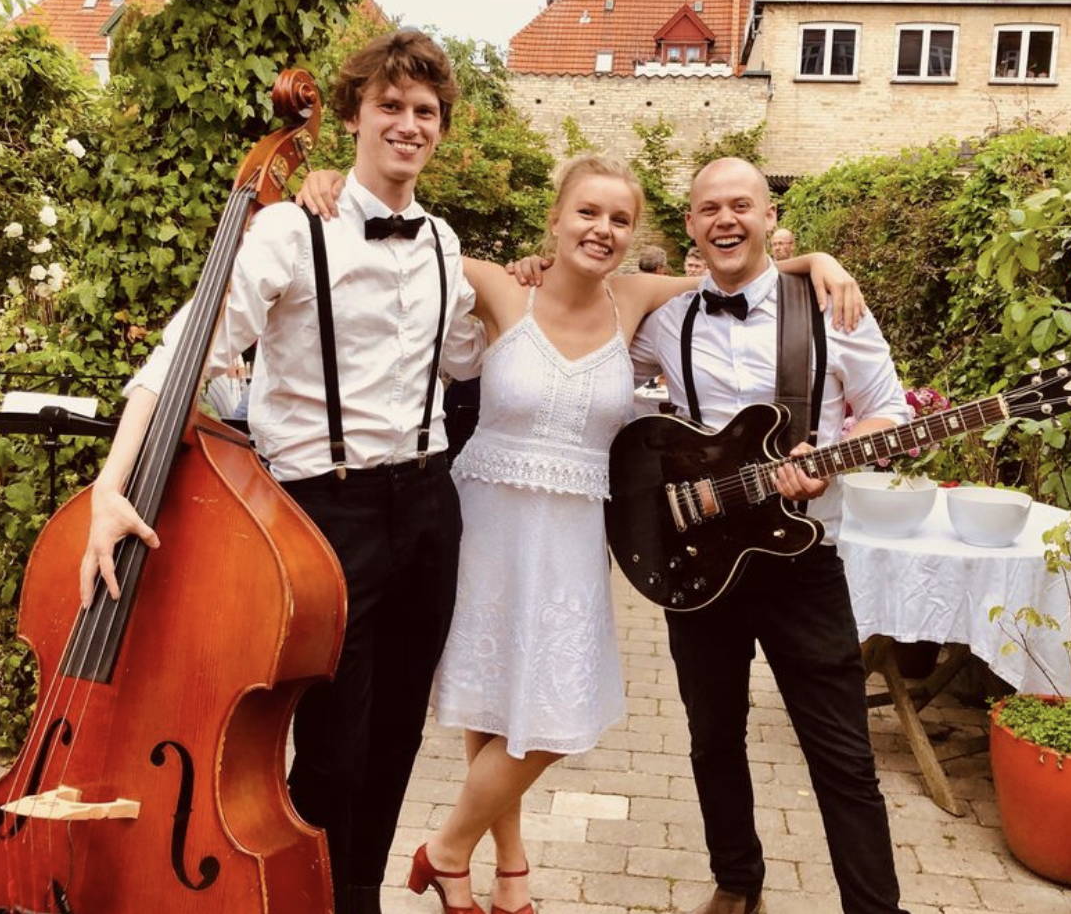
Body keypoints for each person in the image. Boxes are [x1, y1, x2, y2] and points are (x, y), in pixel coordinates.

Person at [298, 157, 868, 914]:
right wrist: (332, 184)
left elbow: (740, 268)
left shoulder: (635, 299)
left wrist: (816, 258)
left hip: (576, 530)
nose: (603, 231)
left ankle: (443, 849)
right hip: (486, 519)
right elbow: (392, 243)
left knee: (559, 710)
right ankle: (507, 872)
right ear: (556, 219)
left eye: (620, 221)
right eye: (588, 214)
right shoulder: (501, 288)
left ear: (635, 237)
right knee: (493, 700)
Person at [79, 30, 483, 914]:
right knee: (334, 749)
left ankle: (361, 896)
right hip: (322, 517)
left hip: (427, 509)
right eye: (390, 105)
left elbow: (463, 358)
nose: (409, 124)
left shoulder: (447, 244)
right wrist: (113, 487)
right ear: (350, 117)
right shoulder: (288, 231)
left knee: (399, 735)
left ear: (441, 128)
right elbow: (182, 356)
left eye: (425, 111)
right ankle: (308, 899)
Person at [630, 157, 912, 914]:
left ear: (768, 219)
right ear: (690, 225)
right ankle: (737, 883)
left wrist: (827, 461)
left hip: (802, 561)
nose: (725, 219)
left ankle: (875, 908)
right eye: (709, 208)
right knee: (712, 738)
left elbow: (891, 410)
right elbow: (581, 341)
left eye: (741, 206)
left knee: (843, 757)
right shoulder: (663, 319)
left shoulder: (829, 306)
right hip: (699, 554)